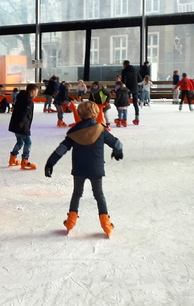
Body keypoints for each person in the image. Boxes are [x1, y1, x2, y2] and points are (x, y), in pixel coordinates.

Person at [44, 101, 123, 238]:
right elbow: (115, 142)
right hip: (96, 169)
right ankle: (106, 224)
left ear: (79, 114)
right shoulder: (100, 129)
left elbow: (62, 149)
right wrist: (118, 150)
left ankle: (70, 222)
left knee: (77, 194)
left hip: (79, 169)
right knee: (99, 195)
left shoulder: (74, 132)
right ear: (95, 113)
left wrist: (50, 163)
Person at [8, 83, 38, 170]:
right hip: (22, 125)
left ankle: (12, 159)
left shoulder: (21, 97)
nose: (37, 93)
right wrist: (23, 126)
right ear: (32, 91)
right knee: (28, 142)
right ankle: (25, 161)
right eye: (36, 91)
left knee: (20, 142)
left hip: (16, 124)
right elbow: (25, 114)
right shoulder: (28, 100)